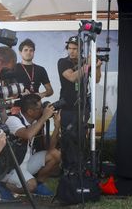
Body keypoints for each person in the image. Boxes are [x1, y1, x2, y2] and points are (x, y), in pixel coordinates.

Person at [0, 94, 61, 199]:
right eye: (40, 108)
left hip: (26, 162)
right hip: (11, 167)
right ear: (30, 112)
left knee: (55, 154)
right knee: (31, 185)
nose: (43, 110)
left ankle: (39, 185)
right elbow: (27, 135)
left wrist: (57, 127)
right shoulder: (13, 120)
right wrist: (44, 117)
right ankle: (4, 186)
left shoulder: (37, 122)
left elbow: (50, 148)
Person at [57, 36, 101, 172]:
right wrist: (87, 64)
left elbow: (97, 80)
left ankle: (80, 167)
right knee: (67, 136)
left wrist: (97, 67)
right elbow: (72, 77)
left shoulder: (84, 61)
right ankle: (67, 168)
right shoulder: (63, 62)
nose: (72, 51)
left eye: (75, 49)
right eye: (70, 48)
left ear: (81, 49)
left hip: (82, 106)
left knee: (81, 136)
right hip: (67, 105)